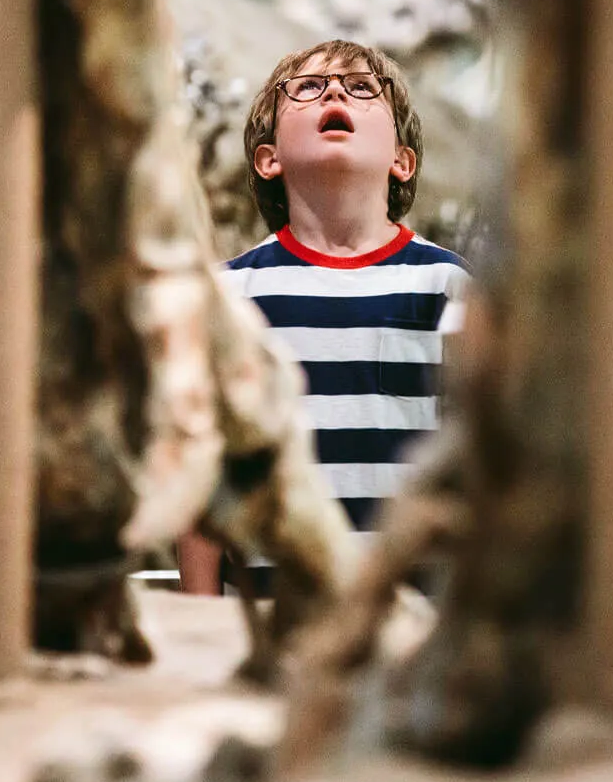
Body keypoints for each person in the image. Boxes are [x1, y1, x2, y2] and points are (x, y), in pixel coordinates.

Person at [178, 39, 471, 594]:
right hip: (270, 610)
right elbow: (205, 472)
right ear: (269, 158)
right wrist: (199, 612)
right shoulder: (227, 297)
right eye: (308, 88)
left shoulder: (447, 288)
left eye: (363, 88)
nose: (335, 89)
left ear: (400, 161)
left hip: (409, 608)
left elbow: (475, 469)